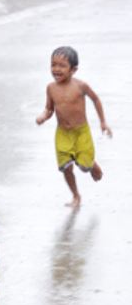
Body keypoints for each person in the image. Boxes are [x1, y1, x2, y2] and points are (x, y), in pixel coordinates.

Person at [35, 45, 112, 208]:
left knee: (83, 166)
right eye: (53, 64)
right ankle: (76, 195)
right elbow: (49, 108)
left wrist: (103, 122)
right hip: (63, 133)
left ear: (73, 69)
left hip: (81, 132)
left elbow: (96, 99)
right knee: (66, 168)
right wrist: (44, 116)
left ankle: (91, 164)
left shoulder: (80, 86)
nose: (56, 69)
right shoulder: (51, 88)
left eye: (62, 65)